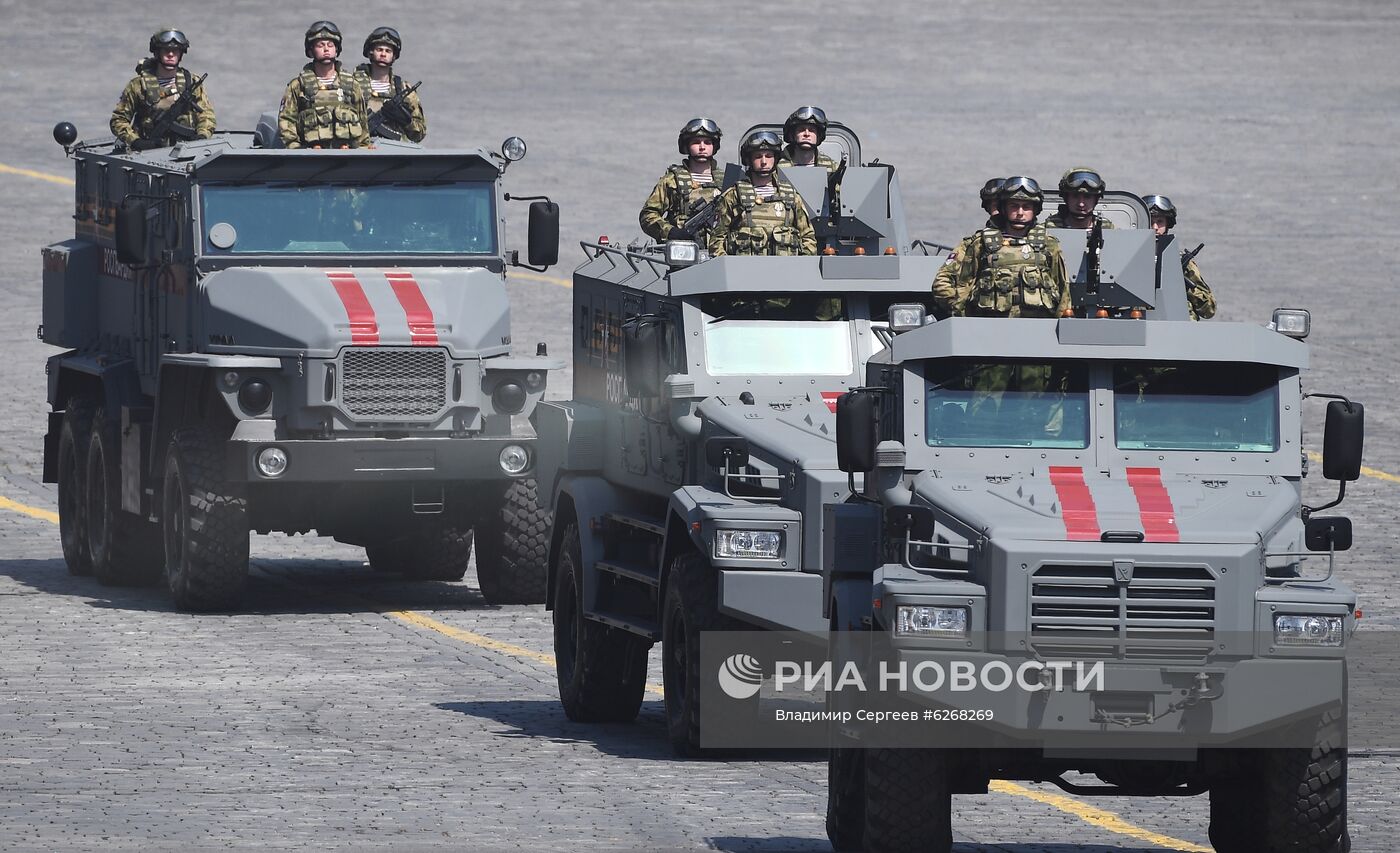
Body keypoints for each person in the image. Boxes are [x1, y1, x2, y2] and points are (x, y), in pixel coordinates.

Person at [936, 176, 1070, 318]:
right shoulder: (980, 244)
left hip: (1038, 327)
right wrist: (962, 315)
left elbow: (1063, 290)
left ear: (1035, 209)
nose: (1020, 213)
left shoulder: (1049, 244)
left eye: (1026, 207)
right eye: (1014, 206)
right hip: (989, 327)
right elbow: (960, 284)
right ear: (1004, 208)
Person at [709, 131, 816, 257]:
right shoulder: (734, 196)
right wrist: (731, 270)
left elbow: (808, 239)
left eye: (769, 156)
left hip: (786, 272)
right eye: (758, 156)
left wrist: (799, 269)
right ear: (749, 159)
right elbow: (716, 241)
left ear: (776, 159)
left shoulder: (791, 197)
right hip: (743, 272)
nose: (764, 161)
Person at [110, 28, 215, 150]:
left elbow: (207, 115)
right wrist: (135, 141)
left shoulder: (191, 82)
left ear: (181, 53)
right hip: (148, 153)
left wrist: (202, 135)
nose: (171, 54)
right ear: (157, 52)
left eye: (175, 50)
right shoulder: (138, 85)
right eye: (166, 50)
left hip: (187, 151)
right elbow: (118, 120)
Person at [278, 21, 371, 149]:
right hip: (311, 156)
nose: (326, 49)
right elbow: (286, 120)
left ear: (336, 49)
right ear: (311, 50)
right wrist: (296, 149)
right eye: (320, 45)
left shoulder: (350, 85)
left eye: (330, 45)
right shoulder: (299, 86)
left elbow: (362, 120)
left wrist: (363, 148)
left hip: (347, 155)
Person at [639, 118, 725, 242]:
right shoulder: (672, 180)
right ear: (687, 146)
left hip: (722, 253)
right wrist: (671, 232)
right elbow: (648, 215)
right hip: (682, 252)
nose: (702, 147)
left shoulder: (728, 181)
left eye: (707, 142)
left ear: (714, 146)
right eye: (696, 142)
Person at [932, 178, 1006, 317]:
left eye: (1004, 206)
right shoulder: (972, 245)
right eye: (996, 206)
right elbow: (942, 282)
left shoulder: (1037, 244)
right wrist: (962, 308)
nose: (1000, 212)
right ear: (988, 208)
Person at [1144, 194, 1217, 320]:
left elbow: (1209, 309)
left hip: (1178, 328)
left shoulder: (1180, 262)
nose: (1155, 227)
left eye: (1160, 221)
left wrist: (1182, 284)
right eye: (1150, 221)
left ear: (1168, 224)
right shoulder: (1129, 260)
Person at [354, 27, 426, 143]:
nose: (383, 54)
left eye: (388, 51)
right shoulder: (353, 84)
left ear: (394, 56)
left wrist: (406, 121)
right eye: (379, 49)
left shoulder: (403, 89)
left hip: (395, 152)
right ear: (371, 52)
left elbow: (419, 134)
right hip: (361, 150)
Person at [1043, 167, 1115, 230]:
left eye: (1087, 197)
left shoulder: (1108, 230)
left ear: (1096, 199)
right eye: (1075, 196)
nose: (1081, 204)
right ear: (1066, 198)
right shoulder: (1046, 231)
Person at [777, 106, 840, 174]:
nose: (807, 134)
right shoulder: (775, 167)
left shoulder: (832, 168)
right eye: (801, 130)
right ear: (792, 135)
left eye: (811, 130)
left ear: (818, 136)